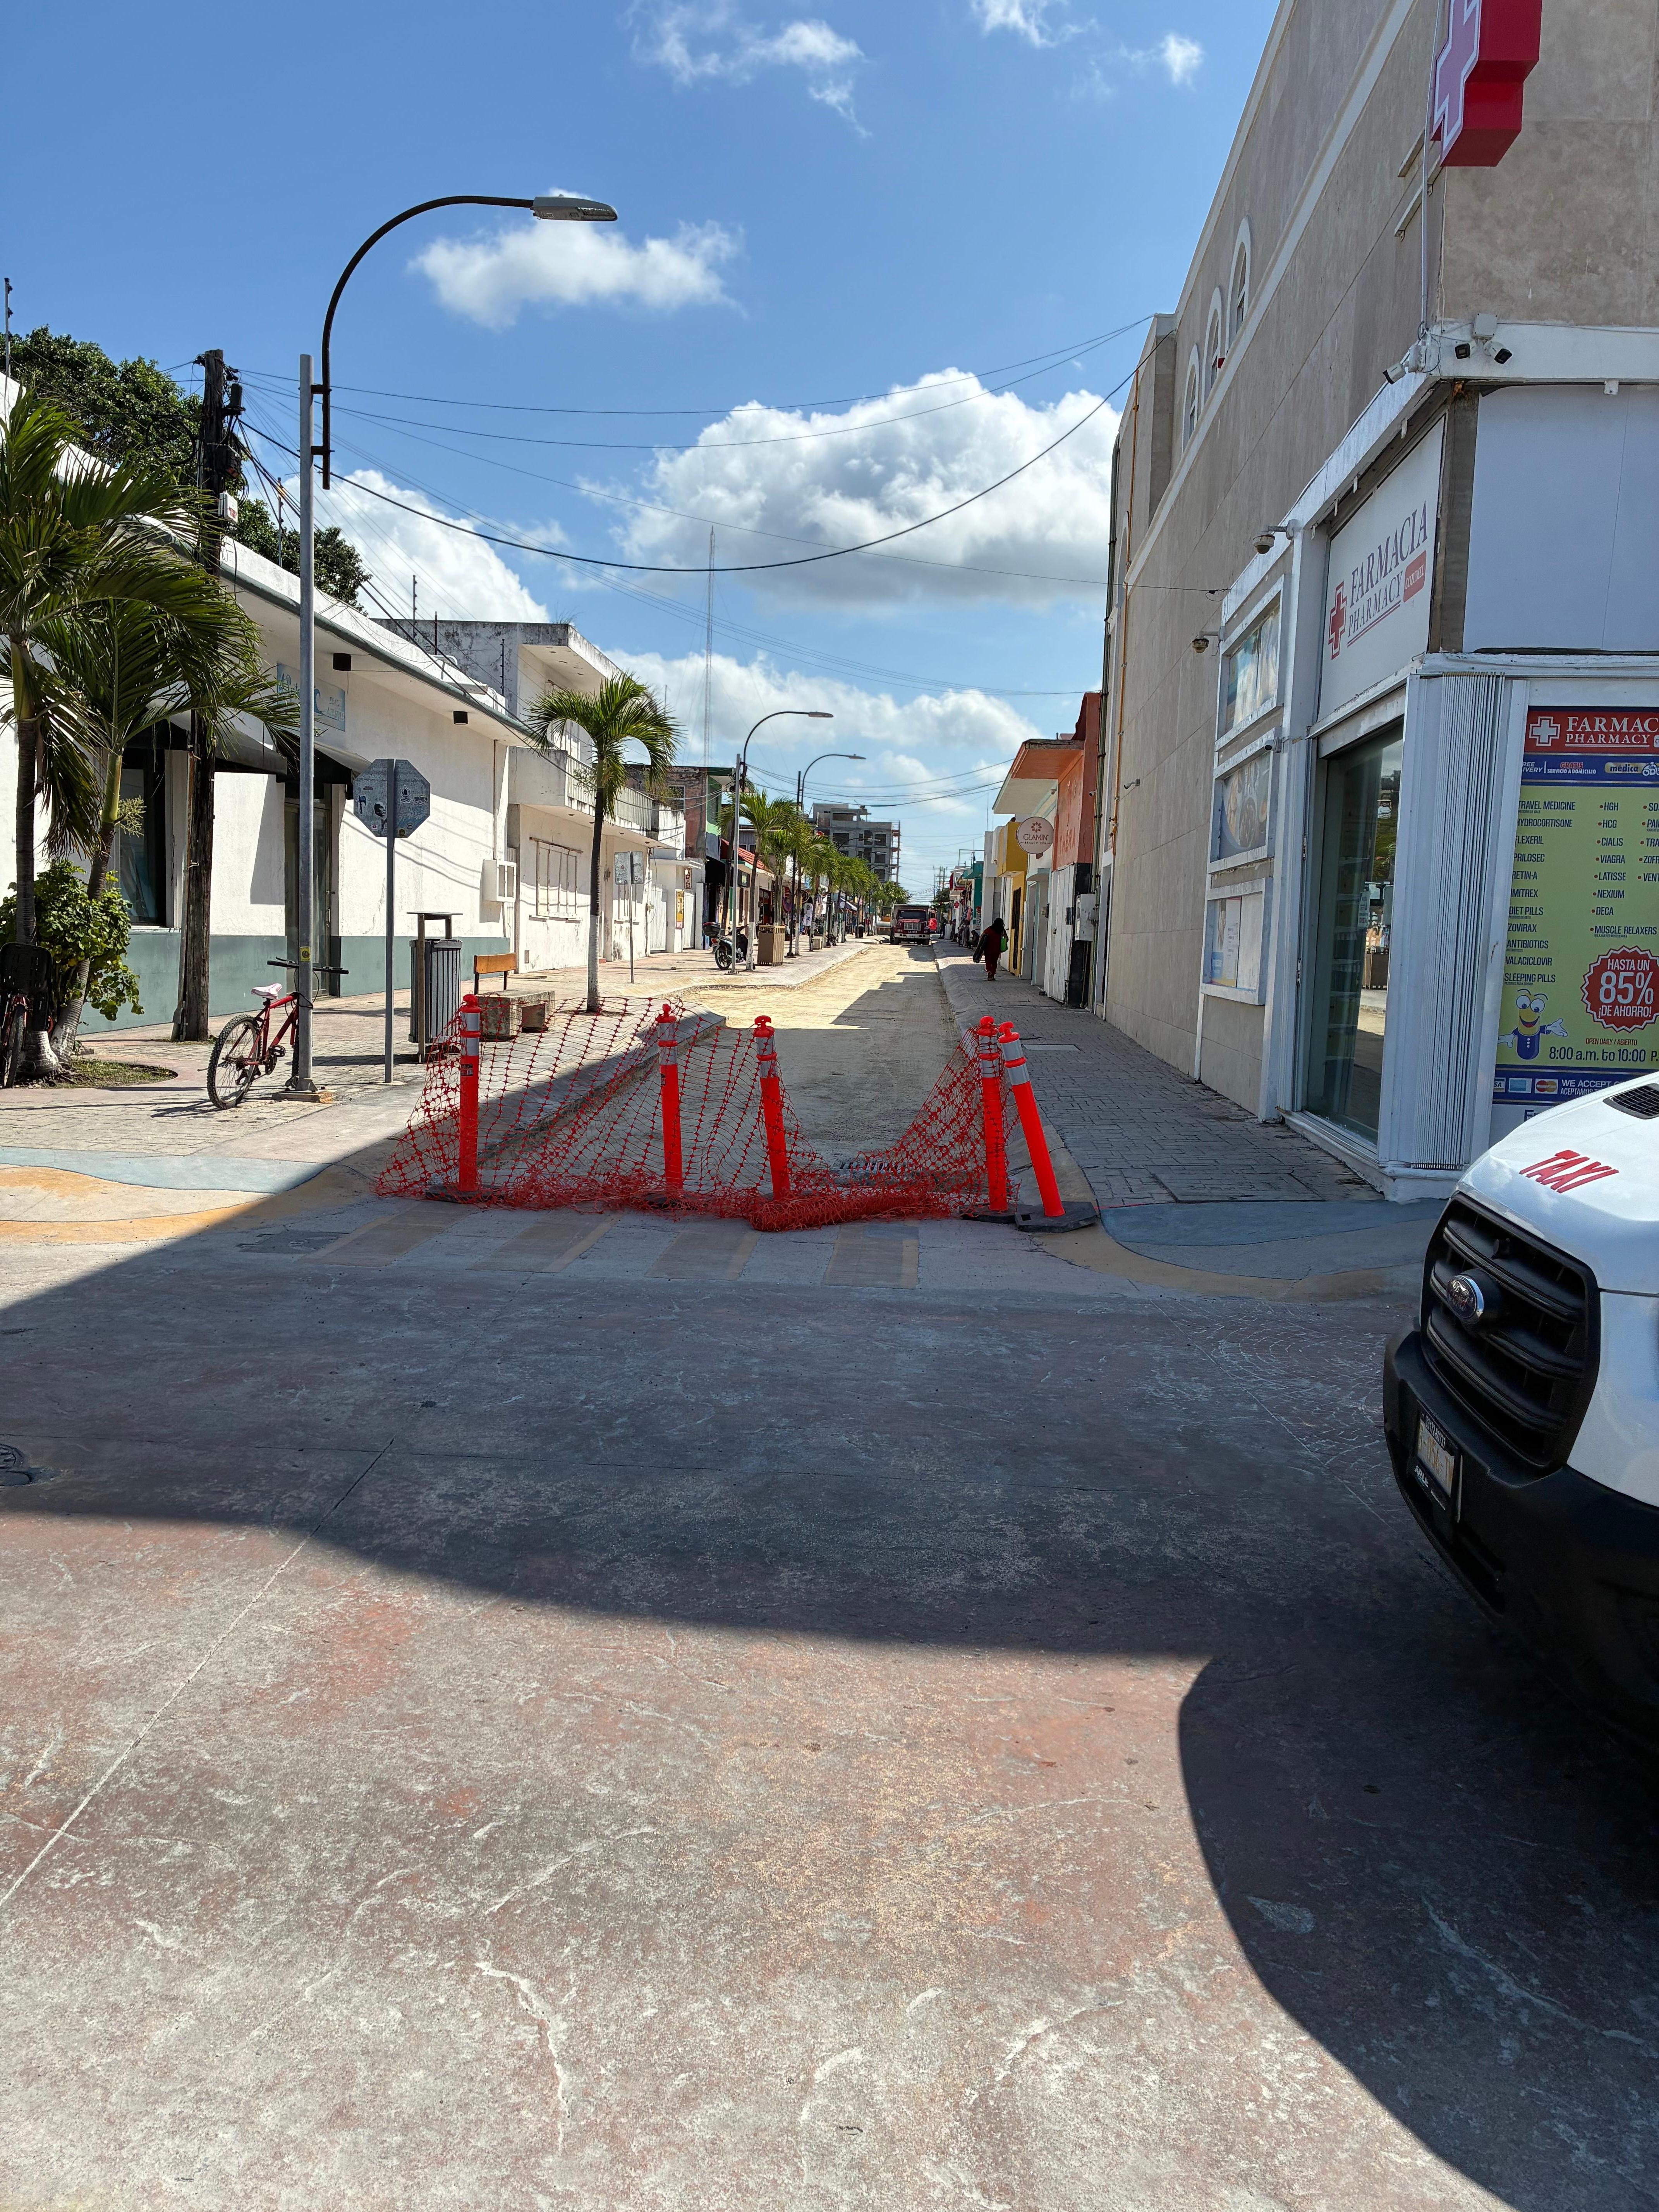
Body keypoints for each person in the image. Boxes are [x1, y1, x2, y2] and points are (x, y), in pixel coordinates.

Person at [977, 914, 1008, 981]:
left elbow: (983, 936)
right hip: (997, 949)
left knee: (988, 961)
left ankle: (989, 971)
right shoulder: (1002, 930)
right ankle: (993, 975)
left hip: (988, 948)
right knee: (994, 962)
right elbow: (1006, 939)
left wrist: (979, 945)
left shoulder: (990, 929)